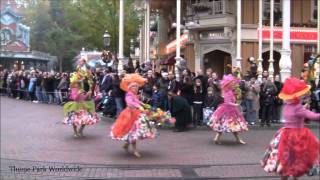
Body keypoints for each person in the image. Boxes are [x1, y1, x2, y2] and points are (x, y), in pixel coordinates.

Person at [261, 77, 320, 180]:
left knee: (286, 160)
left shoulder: (287, 106)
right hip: (297, 135)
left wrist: (303, 109)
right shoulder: (298, 108)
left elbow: (295, 113)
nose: (302, 95)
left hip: (285, 134)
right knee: (296, 161)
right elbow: (313, 116)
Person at [110, 73, 156, 158]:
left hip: (137, 114)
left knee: (132, 132)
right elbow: (130, 103)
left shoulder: (134, 95)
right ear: (130, 88)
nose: (136, 88)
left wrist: (143, 104)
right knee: (131, 132)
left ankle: (126, 145)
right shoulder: (128, 95)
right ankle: (135, 150)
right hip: (129, 114)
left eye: (137, 86)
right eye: (134, 87)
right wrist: (139, 106)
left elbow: (136, 101)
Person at [63, 57, 99, 137]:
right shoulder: (74, 87)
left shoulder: (86, 74)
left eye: (81, 61)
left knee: (86, 119)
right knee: (73, 119)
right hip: (75, 105)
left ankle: (80, 130)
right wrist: (79, 92)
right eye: (79, 61)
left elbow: (90, 81)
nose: (80, 62)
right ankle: (75, 131)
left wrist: (88, 92)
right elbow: (74, 97)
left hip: (83, 104)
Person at [207, 75, 248, 145]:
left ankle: (217, 138)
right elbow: (227, 102)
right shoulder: (227, 92)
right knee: (229, 125)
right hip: (227, 111)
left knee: (228, 125)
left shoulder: (229, 91)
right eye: (232, 83)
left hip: (230, 110)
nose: (233, 85)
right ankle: (236, 139)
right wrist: (235, 105)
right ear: (228, 84)